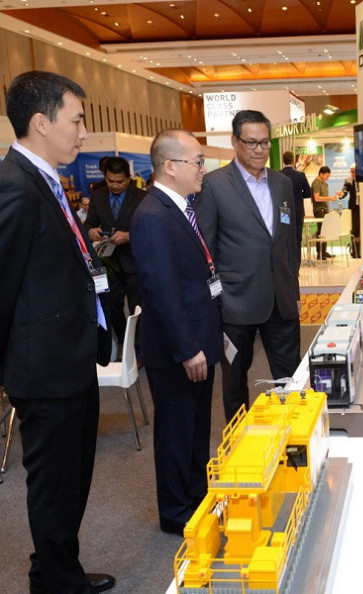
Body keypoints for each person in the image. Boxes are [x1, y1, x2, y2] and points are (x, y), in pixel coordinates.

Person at [0, 70, 114, 594]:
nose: (84, 134)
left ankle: (53, 571)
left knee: (70, 481)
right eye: (77, 121)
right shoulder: (15, 187)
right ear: (41, 123)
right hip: (44, 368)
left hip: (70, 358)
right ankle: (59, 586)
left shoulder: (44, 181)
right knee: (54, 486)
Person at [130, 129, 223, 535]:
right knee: (176, 432)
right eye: (198, 161)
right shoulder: (153, 216)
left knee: (196, 429)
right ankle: (175, 512)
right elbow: (162, 291)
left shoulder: (181, 208)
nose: (203, 169)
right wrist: (187, 349)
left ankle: (197, 496)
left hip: (198, 339)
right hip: (178, 351)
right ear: (170, 166)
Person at [195, 110, 301, 423]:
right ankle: (238, 439)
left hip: (280, 300)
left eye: (265, 142)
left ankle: (293, 436)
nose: (259, 149)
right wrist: (215, 301)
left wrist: (293, 289)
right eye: (251, 142)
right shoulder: (214, 185)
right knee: (234, 381)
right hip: (235, 304)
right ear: (235, 142)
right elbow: (206, 251)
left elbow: (289, 240)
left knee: (290, 379)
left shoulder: (282, 183)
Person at [85, 156, 146, 355]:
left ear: (128, 178)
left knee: (138, 307)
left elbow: (150, 230)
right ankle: (122, 341)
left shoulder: (142, 197)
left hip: (135, 262)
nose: (115, 185)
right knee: (111, 305)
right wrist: (91, 231)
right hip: (108, 262)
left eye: (120, 181)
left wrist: (129, 236)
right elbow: (88, 224)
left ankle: (138, 349)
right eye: (110, 181)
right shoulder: (98, 195)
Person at [280, 150, 312, 264]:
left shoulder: (278, 175)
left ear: (283, 161)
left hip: (284, 211)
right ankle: (296, 265)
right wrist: (297, 196)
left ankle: (287, 264)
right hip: (298, 210)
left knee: (285, 237)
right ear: (293, 160)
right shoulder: (300, 175)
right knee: (297, 237)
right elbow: (308, 193)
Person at [311, 165, 342, 259]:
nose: (327, 178)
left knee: (325, 231)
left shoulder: (325, 184)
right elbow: (317, 198)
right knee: (321, 231)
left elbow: (325, 198)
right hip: (319, 210)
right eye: (326, 176)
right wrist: (330, 198)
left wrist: (332, 198)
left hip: (325, 210)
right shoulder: (316, 183)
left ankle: (324, 251)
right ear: (321, 174)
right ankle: (320, 253)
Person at [340, 163, 361, 257]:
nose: (353, 174)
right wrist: (341, 194)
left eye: (354, 171)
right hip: (354, 208)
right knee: (355, 230)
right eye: (351, 172)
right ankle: (355, 252)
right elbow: (344, 190)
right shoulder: (348, 180)